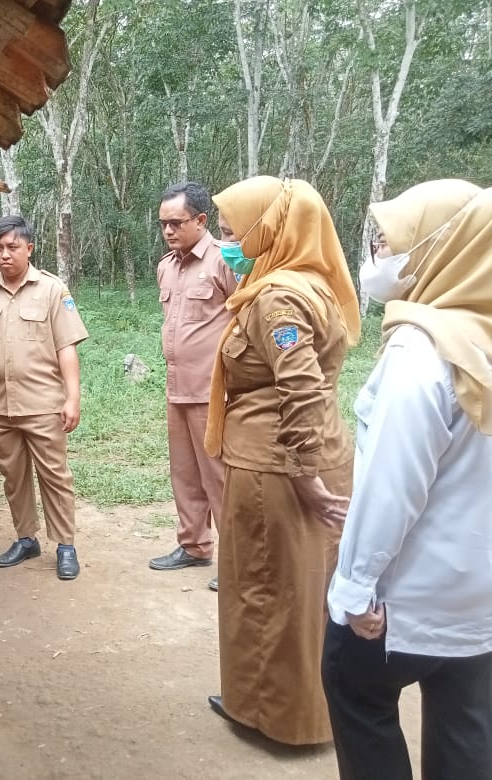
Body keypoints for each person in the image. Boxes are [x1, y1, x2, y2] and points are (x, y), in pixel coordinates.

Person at [323, 179, 492, 780]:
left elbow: (392, 487)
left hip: (401, 603)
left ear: (439, 251)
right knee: (466, 729)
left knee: (358, 700)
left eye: (390, 243)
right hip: (476, 600)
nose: (378, 258)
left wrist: (354, 586)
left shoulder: (421, 354)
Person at [203, 176, 360, 745]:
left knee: (265, 590)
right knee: (306, 591)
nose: (227, 243)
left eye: (232, 232)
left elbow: (300, 387)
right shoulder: (312, 282)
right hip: (312, 456)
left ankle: (272, 714)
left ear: (271, 230)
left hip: (278, 466)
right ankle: (304, 710)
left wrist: (304, 475)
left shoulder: (278, 297)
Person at [0, 215, 89, 580]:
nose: (5, 255)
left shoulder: (52, 290)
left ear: (29, 248)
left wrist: (72, 398)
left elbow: (67, 347)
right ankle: (25, 538)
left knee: (55, 476)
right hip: (1, 406)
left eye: (13, 247)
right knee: (13, 477)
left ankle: (65, 545)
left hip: (43, 404)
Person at [148, 182, 237, 592]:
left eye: (176, 223)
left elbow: (244, 319)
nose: (168, 231)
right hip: (176, 388)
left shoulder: (224, 262)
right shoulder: (167, 265)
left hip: (212, 392)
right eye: (163, 224)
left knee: (218, 478)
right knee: (184, 475)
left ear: (201, 220)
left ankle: (237, 561)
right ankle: (194, 546)